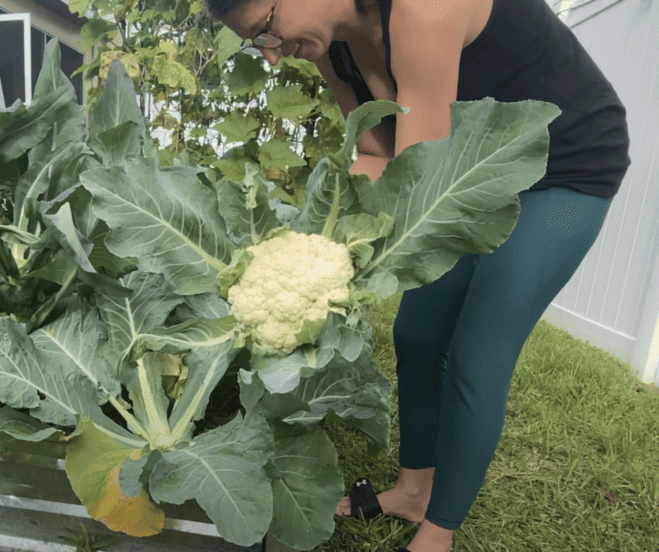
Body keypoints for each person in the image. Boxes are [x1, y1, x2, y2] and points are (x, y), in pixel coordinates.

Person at [205, 0, 632, 550]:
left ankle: (439, 531)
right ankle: (413, 493)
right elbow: (375, 148)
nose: (271, 55)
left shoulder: (422, 7)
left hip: (565, 165)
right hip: (463, 168)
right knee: (417, 334)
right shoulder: (330, 45)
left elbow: (421, 180)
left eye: (266, 30)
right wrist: (310, 238)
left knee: (477, 353)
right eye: (255, 43)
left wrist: (339, 268)